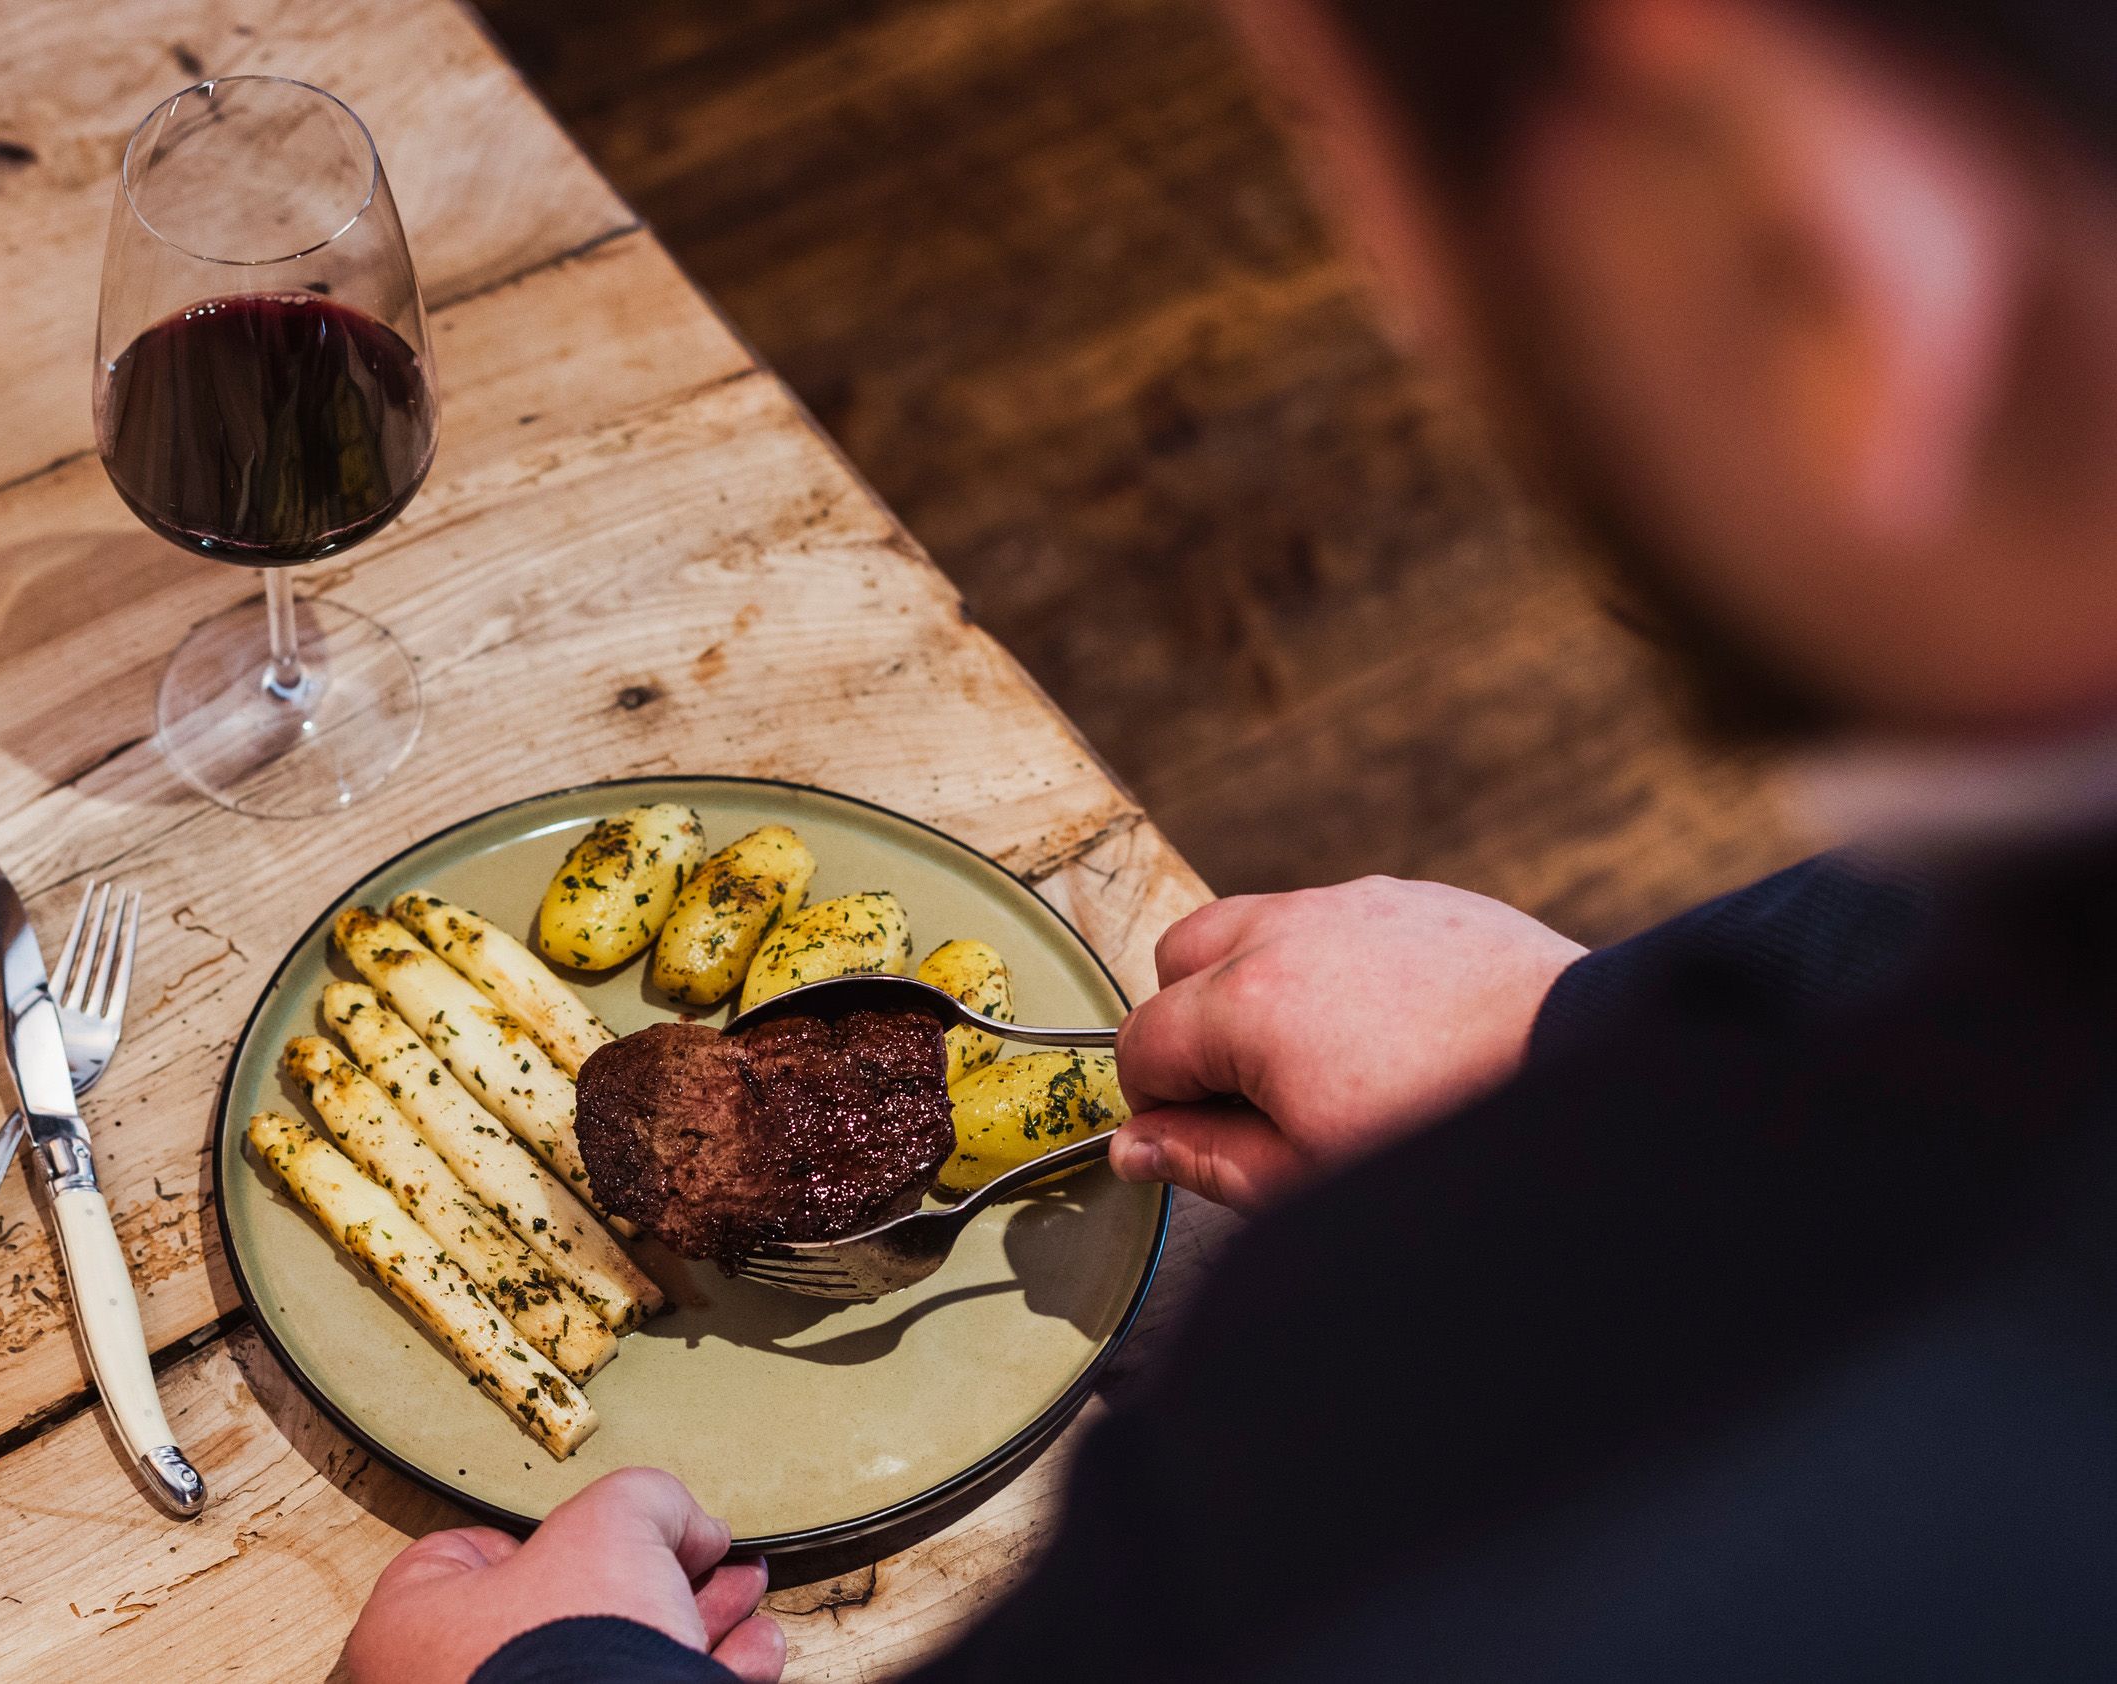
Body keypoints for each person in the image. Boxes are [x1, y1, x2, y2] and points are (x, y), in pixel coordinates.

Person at [343, 0, 2117, 1675]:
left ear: (1812, 246)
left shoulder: (1448, 1474)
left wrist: (542, 1672)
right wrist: (1561, 1030)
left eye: (1323, 146)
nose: (1400, 308)